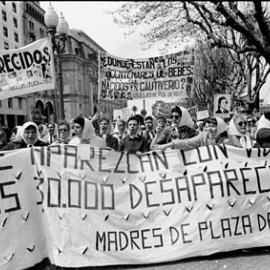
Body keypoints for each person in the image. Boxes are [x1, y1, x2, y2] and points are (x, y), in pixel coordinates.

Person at [152, 117, 228, 151]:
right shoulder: (202, 137)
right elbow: (185, 143)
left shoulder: (228, 140)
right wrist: (167, 145)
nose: (210, 129)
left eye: (213, 126)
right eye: (208, 126)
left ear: (220, 127)